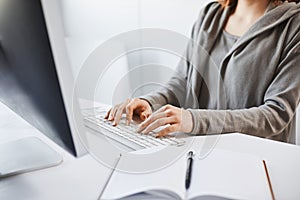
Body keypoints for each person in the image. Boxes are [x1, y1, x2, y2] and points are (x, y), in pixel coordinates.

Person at [105, 0, 300, 143]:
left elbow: (276, 114)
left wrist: (192, 120)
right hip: (197, 150)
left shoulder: (294, 26)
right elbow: (182, 82)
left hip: (256, 160)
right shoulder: (210, 15)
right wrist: (149, 102)